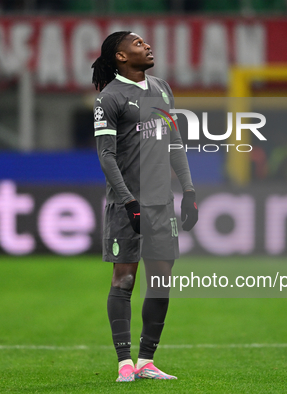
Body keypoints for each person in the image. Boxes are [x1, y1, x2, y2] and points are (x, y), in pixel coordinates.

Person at [91, 31, 198, 382]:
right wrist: (128, 201)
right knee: (123, 280)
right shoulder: (109, 98)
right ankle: (124, 363)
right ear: (120, 57)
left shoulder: (163, 89)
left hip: (161, 203)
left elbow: (175, 142)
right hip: (127, 204)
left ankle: (146, 361)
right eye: (138, 44)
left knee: (161, 280)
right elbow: (106, 157)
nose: (148, 45)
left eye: (146, 42)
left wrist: (189, 190)